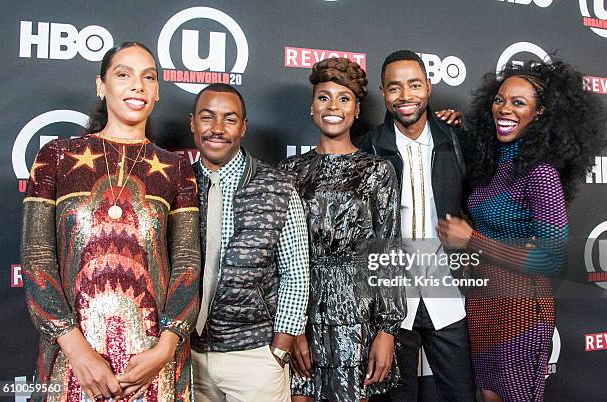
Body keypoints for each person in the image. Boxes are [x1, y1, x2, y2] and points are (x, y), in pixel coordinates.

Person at [21, 42, 200, 401]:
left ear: (157, 91)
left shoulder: (177, 168)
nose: (137, 85)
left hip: (153, 364)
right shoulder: (56, 157)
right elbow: (37, 258)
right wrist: (77, 352)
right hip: (73, 362)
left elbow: (187, 262)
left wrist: (165, 349)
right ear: (101, 85)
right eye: (124, 75)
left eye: (148, 77)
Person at [438, 59, 604, 402]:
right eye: (500, 99)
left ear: (540, 113)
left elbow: (550, 259)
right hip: (483, 306)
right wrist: (453, 125)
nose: (505, 109)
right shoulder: (492, 165)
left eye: (518, 103)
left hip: (522, 308)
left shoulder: (541, 174)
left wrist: (471, 239)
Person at [279, 57, 405, 402]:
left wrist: (386, 330)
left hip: (357, 312)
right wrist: (291, 328)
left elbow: (388, 253)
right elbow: (277, 258)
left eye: (343, 98)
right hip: (300, 307)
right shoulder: (289, 171)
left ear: (357, 109)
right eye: (324, 97)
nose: (332, 106)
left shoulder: (378, 172)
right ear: (312, 106)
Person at [354, 50, 476, 401]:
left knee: (462, 395)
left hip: (448, 295)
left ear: (429, 87)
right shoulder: (368, 149)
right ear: (382, 92)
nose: (405, 96)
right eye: (395, 88)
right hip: (394, 301)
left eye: (414, 85)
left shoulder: (457, 141)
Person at [189, 83, 310, 401]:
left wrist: (280, 350)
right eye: (207, 117)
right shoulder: (178, 185)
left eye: (229, 119)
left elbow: (296, 273)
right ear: (192, 123)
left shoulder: (277, 187)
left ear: (243, 126)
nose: (217, 129)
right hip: (187, 355)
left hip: (255, 356)